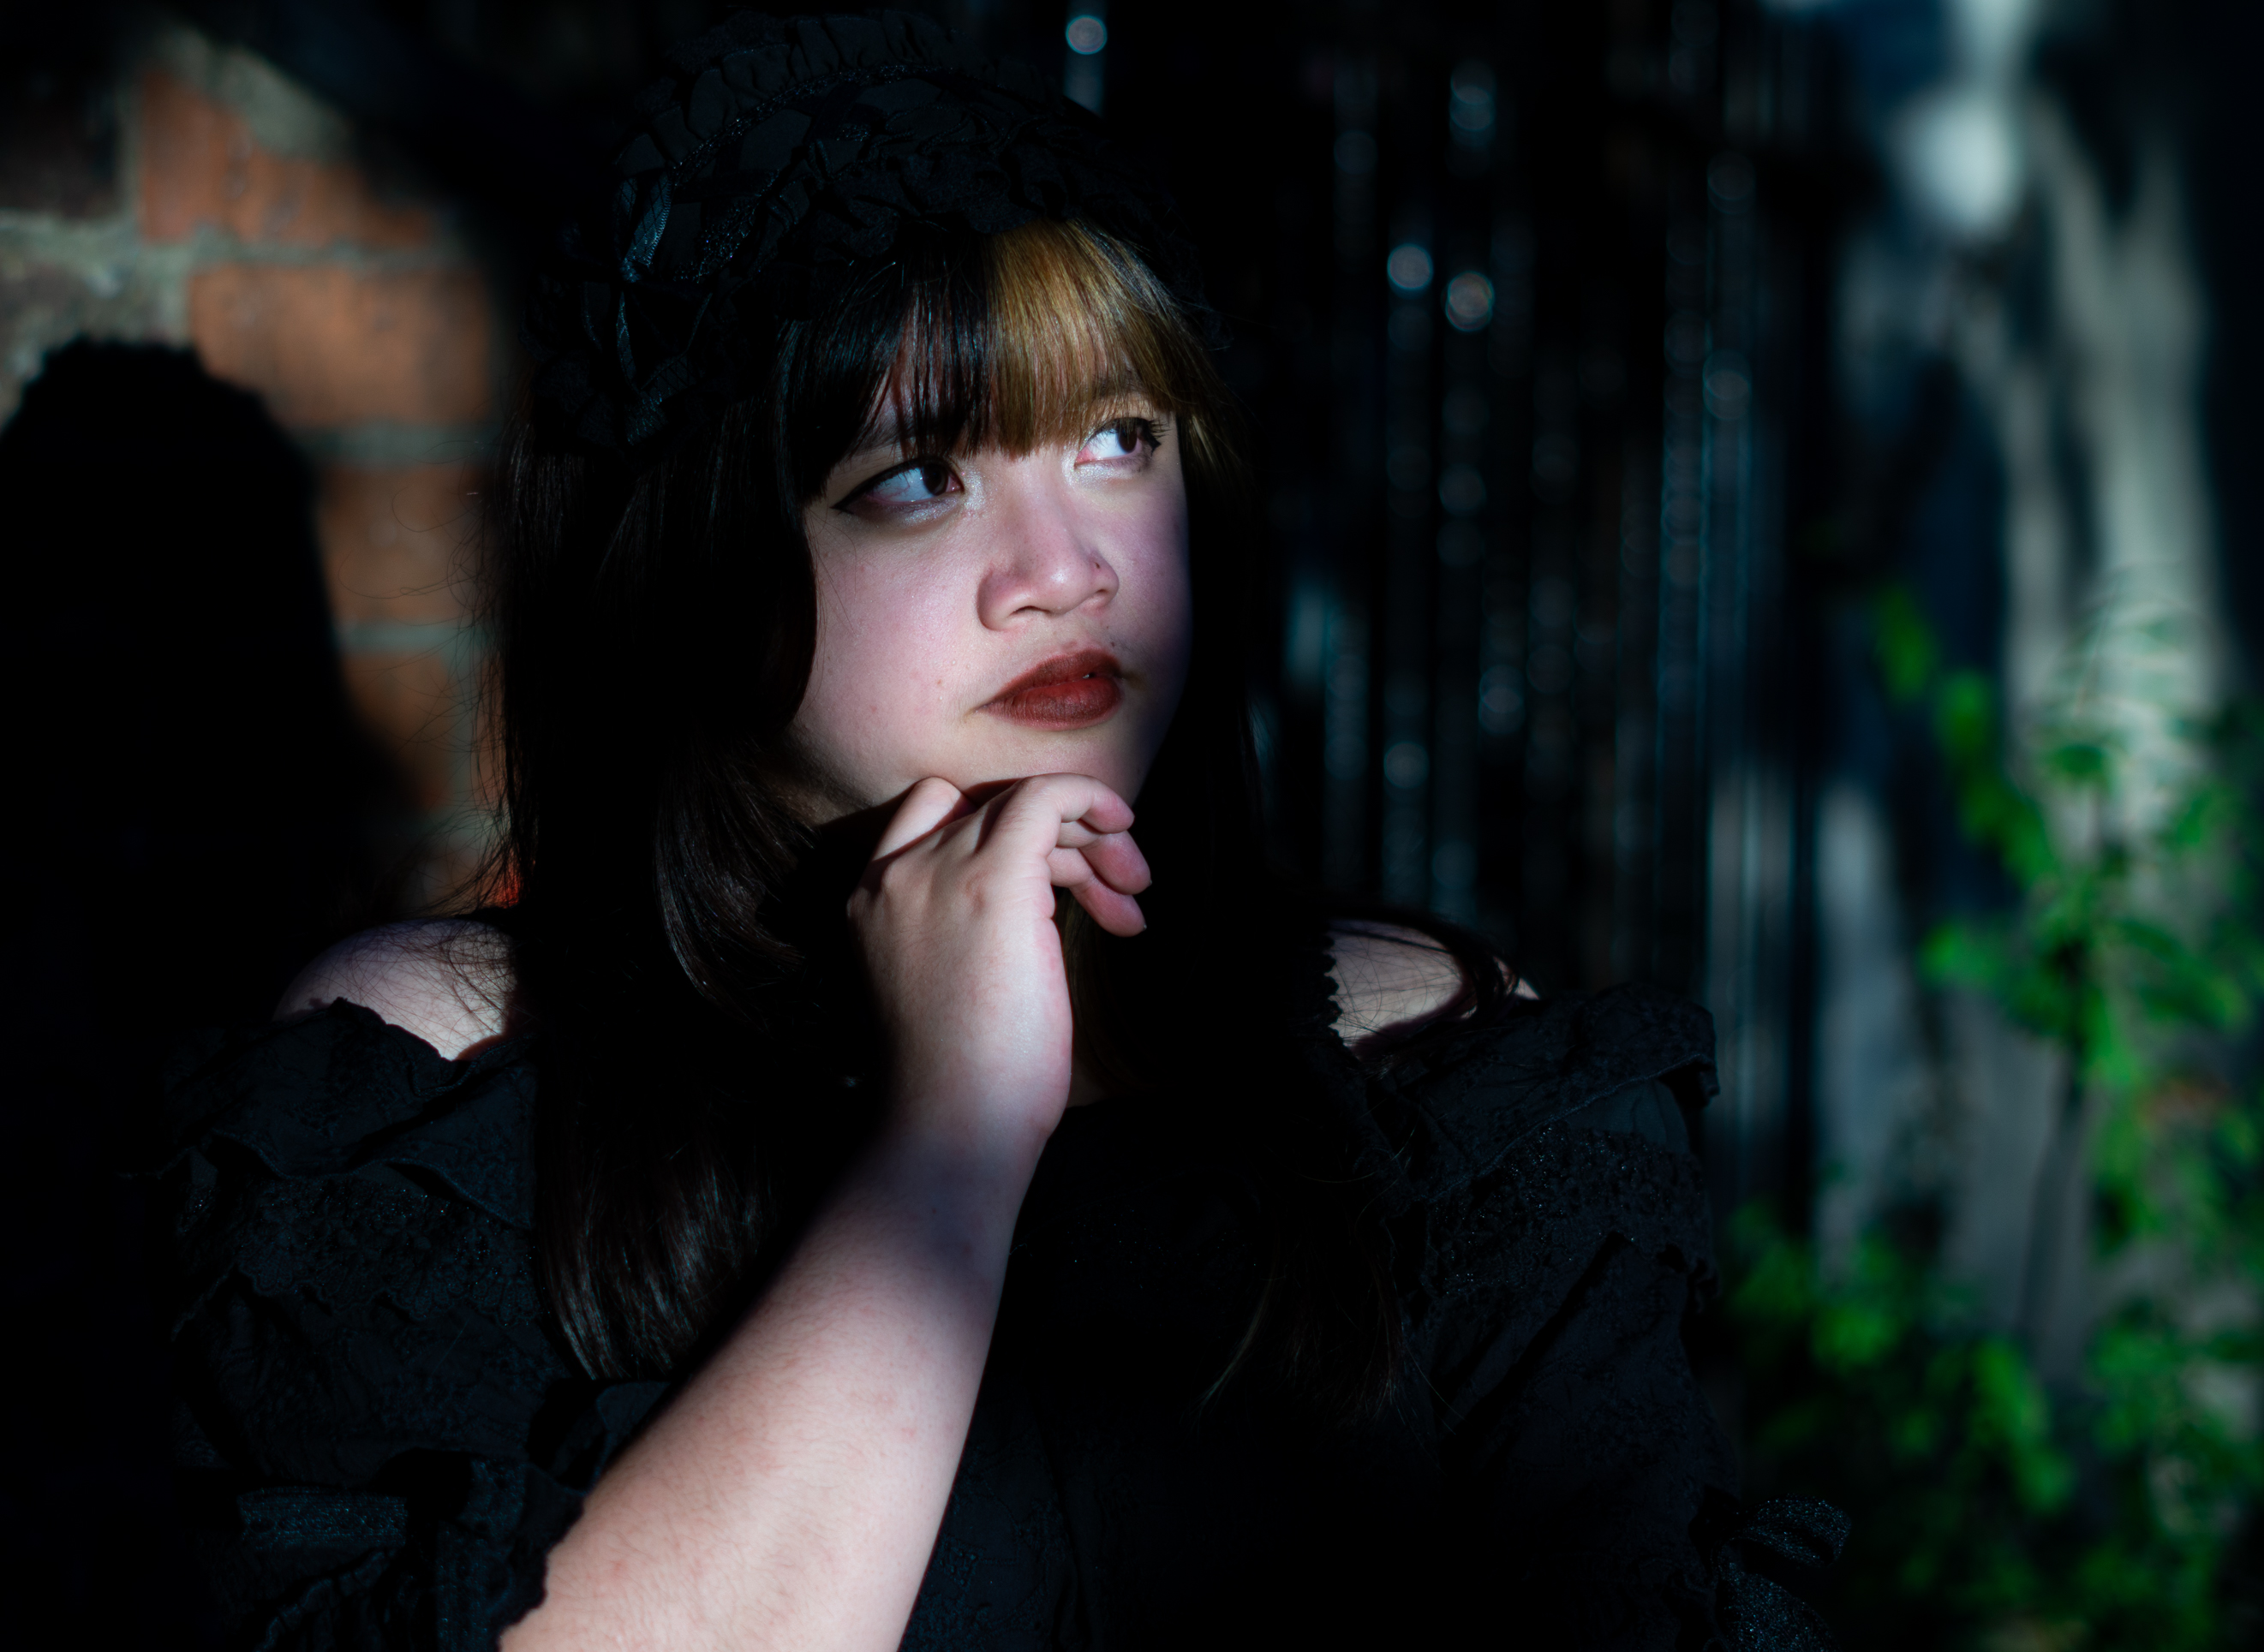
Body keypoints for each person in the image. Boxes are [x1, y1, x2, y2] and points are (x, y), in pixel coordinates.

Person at [159, 12, 1845, 1649]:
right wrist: (950, 1145)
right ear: (696, 564)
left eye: (1123, 439)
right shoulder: (448, 1094)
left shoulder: (1434, 1075)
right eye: (920, 476)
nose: (1068, 566)